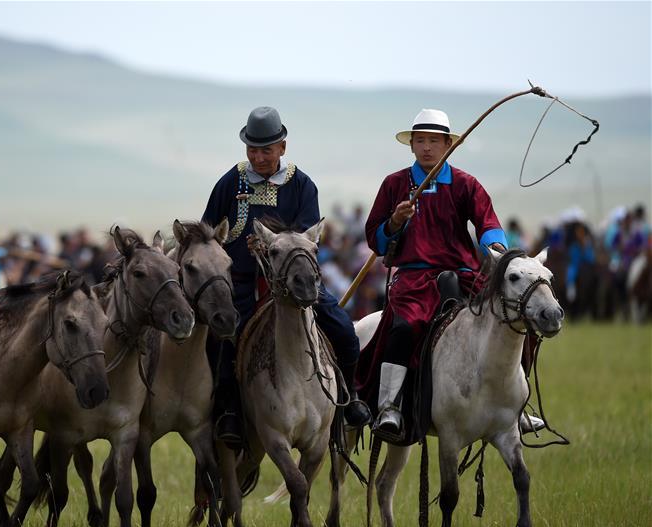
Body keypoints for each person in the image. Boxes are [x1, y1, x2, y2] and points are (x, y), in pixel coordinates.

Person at [358, 108, 541, 441]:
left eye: (434, 141)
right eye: (420, 141)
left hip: (464, 274)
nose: (427, 147)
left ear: (447, 145)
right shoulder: (395, 184)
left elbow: (488, 223)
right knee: (405, 327)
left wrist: (498, 253)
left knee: (516, 322)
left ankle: (517, 406)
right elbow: (376, 238)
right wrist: (395, 222)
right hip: (414, 279)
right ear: (412, 145)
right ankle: (389, 406)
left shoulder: (465, 185)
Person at [202, 106, 371, 448]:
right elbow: (209, 231)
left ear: (282, 147)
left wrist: (269, 244)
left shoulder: (302, 185)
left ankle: (348, 398)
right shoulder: (229, 182)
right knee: (223, 340)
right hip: (242, 283)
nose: (259, 157)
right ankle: (231, 410)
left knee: (343, 330)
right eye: (253, 150)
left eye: (266, 150)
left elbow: (304, 235)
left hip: (295, 283)